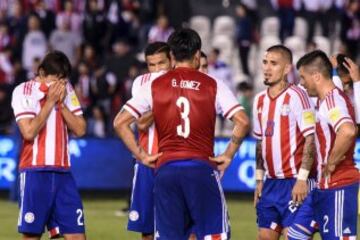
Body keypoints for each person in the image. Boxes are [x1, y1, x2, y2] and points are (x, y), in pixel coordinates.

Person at [114, 28, 249, 239]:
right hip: (201, 168)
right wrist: (229, 153)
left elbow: (120, 122)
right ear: (197, 56)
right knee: (215, 234)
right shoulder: (213, 84)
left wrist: (142, 155)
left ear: (172, 57)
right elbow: (242, 121)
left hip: (165, 170)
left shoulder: (154, 85)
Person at [11, 50, 86, 240]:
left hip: (63, 173)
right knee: (32, 236)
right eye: (55, 79)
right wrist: (50, 102)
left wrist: (61, 105)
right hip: (35, 172)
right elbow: (28, 132)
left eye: (63, 79)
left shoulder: (67, 89)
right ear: (42, 73)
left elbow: (80, 129)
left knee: (77, 236)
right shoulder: (23, 91)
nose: (59, 84)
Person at [252, 45, 316, 240]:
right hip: (271, 184)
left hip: (295, 183)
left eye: (273, 63)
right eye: (265, 62)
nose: (267, 68)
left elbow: (310, 139)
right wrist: (259, 180)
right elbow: (260, 143)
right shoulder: (259, 100)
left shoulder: (297, 95)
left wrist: (302, 179)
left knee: (293, 237)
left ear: (287, 68)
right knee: (264, 236)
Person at [296, 50, 359, 240]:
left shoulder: (332, 101)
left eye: (303, 77)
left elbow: (348, 131)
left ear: (316, 76)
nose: (301, 83)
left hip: (339, 183)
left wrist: (331, 162)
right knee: (296, 235)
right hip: (323, 186)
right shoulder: (327, 98)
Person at [127, 41, 172, 240]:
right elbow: (142, 124)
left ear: (171, 60)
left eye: (161, 63)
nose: (156, 70)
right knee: (148, 230)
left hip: (175, 161)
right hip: (148, 161)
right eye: (151, 65)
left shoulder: (181, 81)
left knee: (180, 226)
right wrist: (163, 101)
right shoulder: (141, 82)